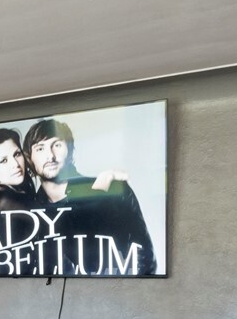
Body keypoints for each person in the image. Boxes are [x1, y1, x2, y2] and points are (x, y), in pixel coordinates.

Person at [24, 118, 158, 276]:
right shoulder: (27, 210)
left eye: (57, 145)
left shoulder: (114, 191)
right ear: (29, 158)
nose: (50, 156)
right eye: (40, 149)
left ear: (70, 149)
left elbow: (145, 260)